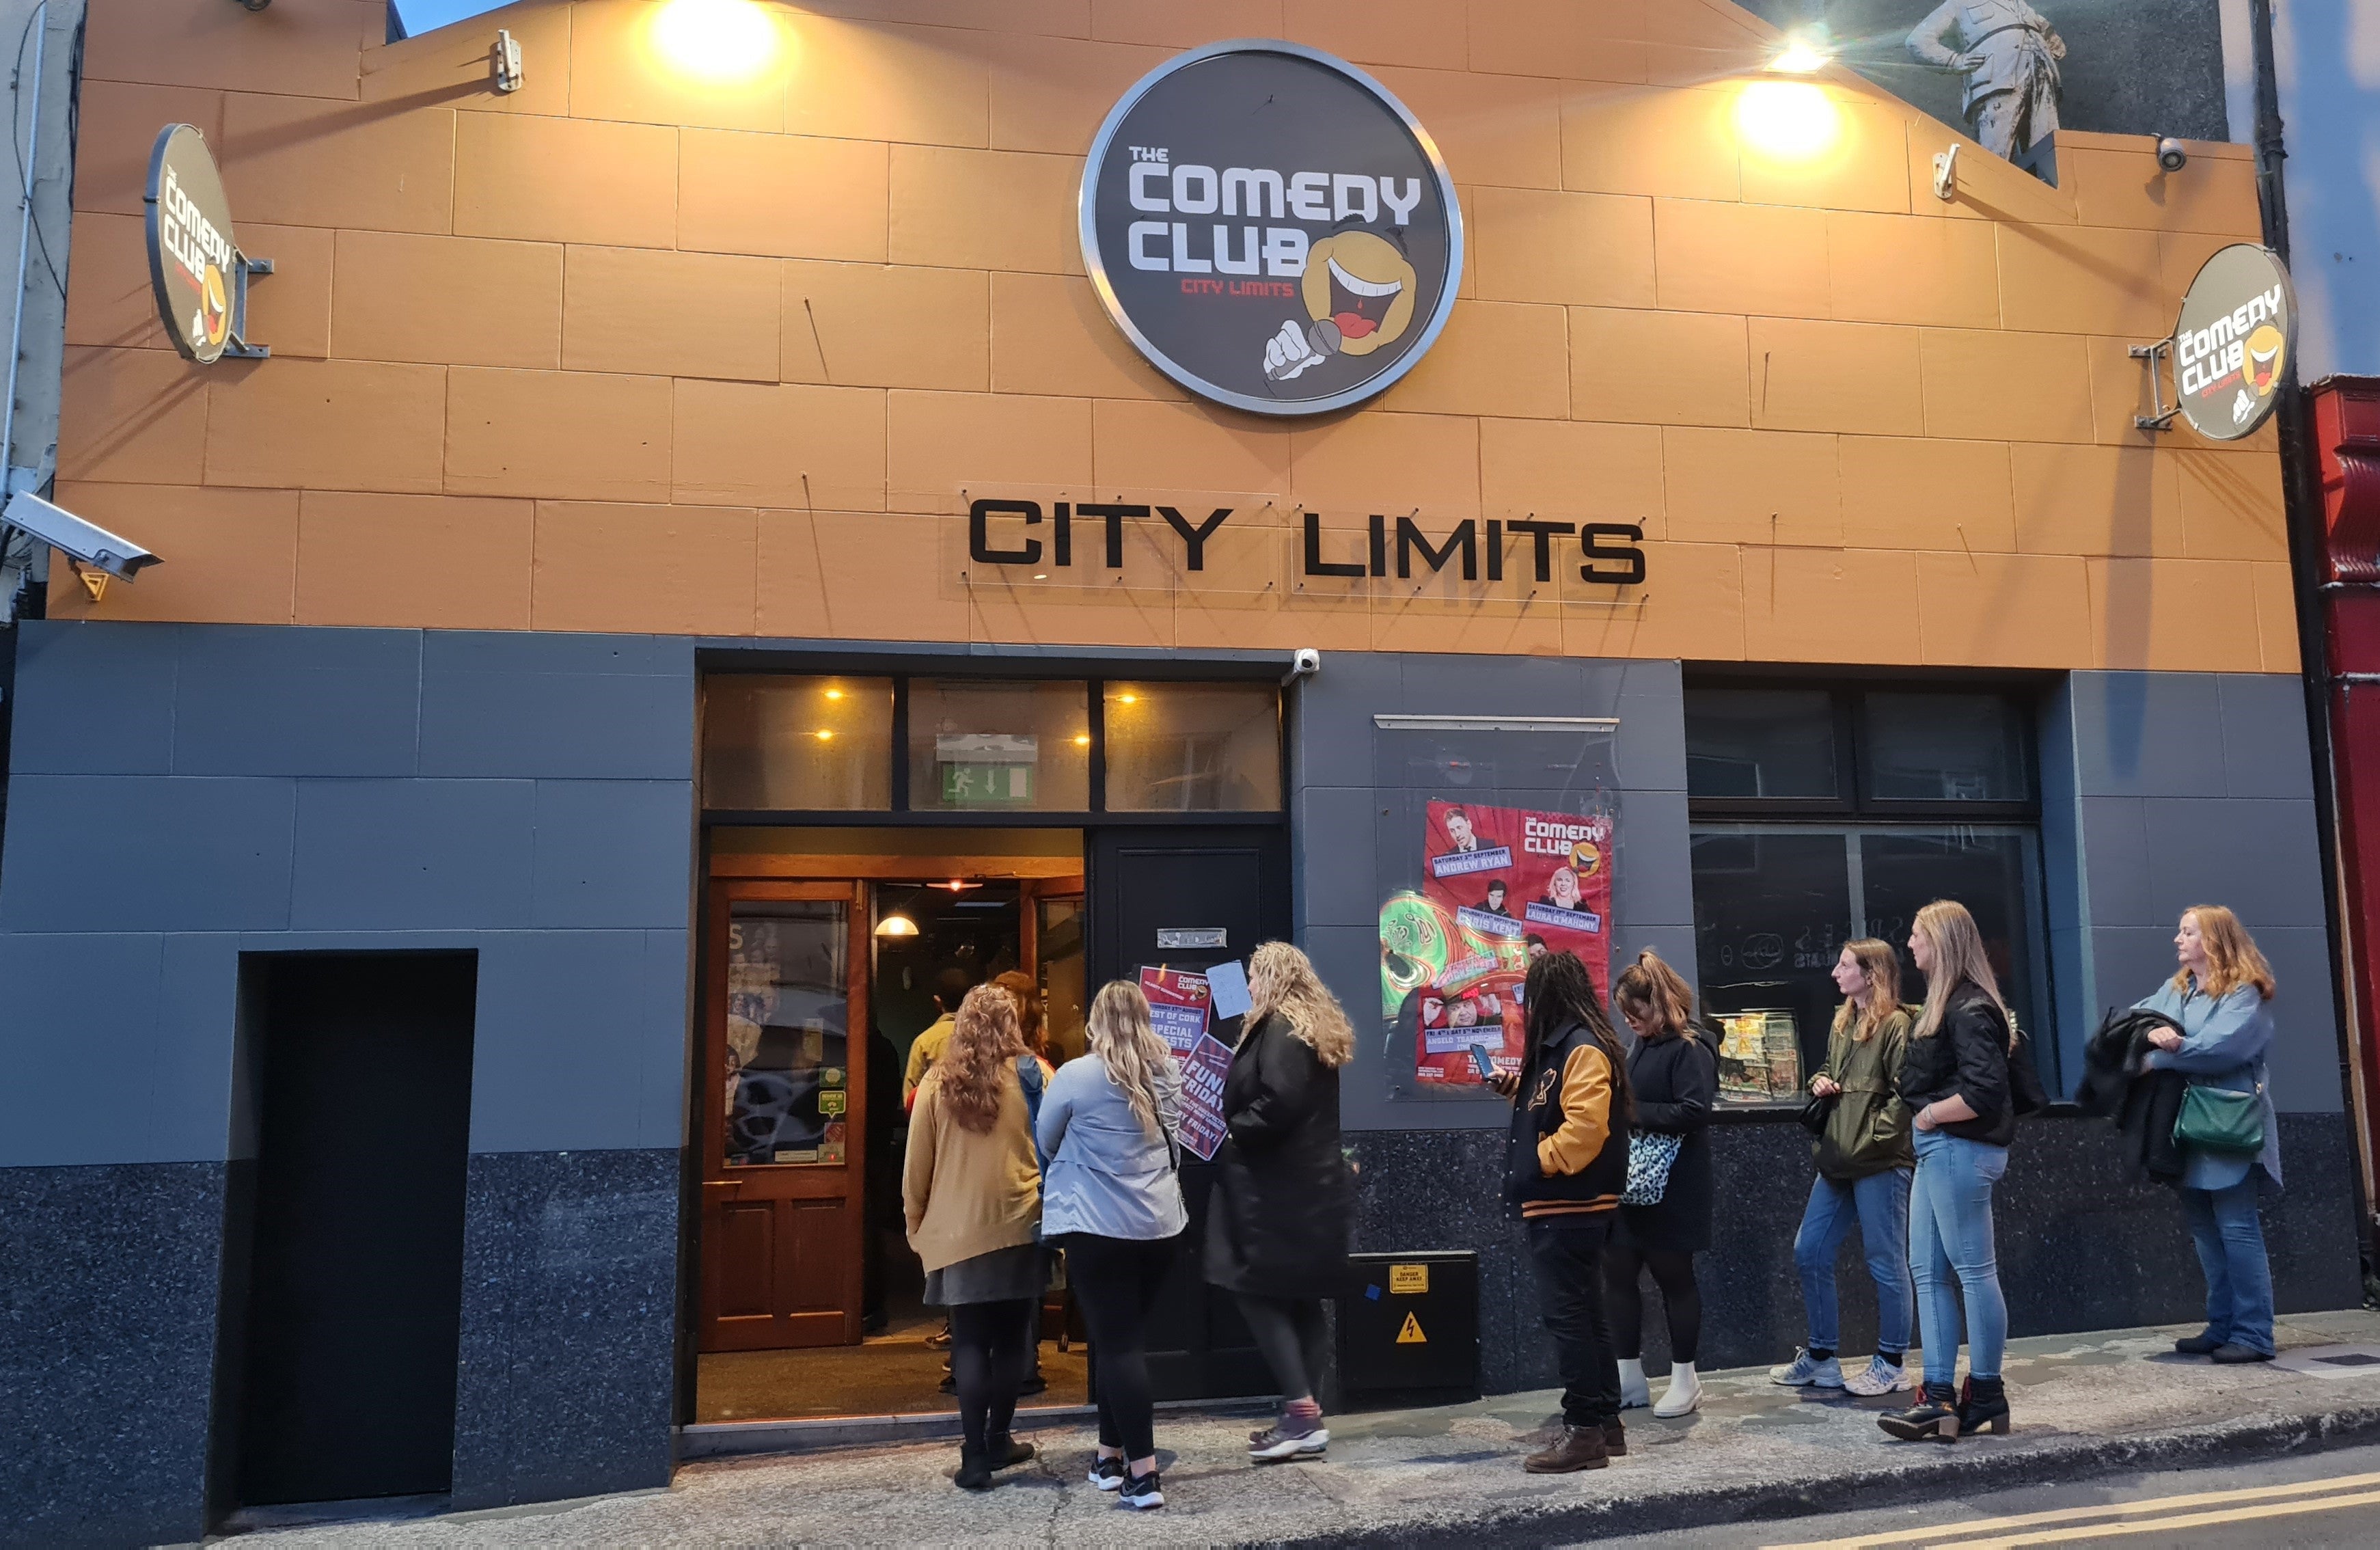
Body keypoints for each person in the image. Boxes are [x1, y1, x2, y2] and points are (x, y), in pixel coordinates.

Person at [1037, 980, 1187, 1511]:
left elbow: (1045, 1140)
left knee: (1118, 1346)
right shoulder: (1167, 1071)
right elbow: (1176, 1140)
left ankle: (1142, 1476)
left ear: (1095, 1021)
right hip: (1158, 1226)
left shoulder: (1075, 1076)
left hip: (1096, 1226)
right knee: (1118, 1340)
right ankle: (1109, 1456)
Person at [1205, 940, 1356, 1463]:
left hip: (1273, 1190)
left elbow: (1279, 1100)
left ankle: (1301, 1413)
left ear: (1271, 978)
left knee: (1253, 1289)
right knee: (1300, 1298)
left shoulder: (1280, 1028)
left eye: (1254, 975)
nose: (1248, 985)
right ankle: (1304, 1416)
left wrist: (1235, 1130)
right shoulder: (1308, 1028)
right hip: (1305, 1188)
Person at [1880, 900, 2018, 1443]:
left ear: (1940, 942)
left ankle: (1982, 1392)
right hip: (1944, 1150)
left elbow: (1984, 1091)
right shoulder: (1958, 1004)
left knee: (1970, 1271)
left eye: (1917, 934)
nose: (1909, 943)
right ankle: (1940, 1397)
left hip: (1957, 1148)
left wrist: (1932, 1115)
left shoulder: (1967, 1008)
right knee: (1929, 1270)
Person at [1490, 949, 1632, 1472]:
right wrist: (1515, 1090)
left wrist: (1537, 1162)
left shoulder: (1580, 1048)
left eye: (1531, 997)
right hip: (1569, 1204)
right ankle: (1605, 1423)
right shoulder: (1563, 1048)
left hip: (1567, 1203)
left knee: (1568, 1318)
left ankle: (1583, 1431)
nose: (1526, 1008)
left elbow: (1585, 1129)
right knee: (1586, 1314)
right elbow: (1551, 1109)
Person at [903, 985, 1046, 1489]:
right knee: (1011, 1340)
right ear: (1013, 1023)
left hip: (956, 1230)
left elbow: (917, 1165)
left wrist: (915, 1223)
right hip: (1021, 1223)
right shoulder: (1035, 1075)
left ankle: (974, 1457)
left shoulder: (936, 1082)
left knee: (968, 1339)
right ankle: (999, 1438)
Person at [2134, 906, 2282, 1365]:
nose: (2177, 940)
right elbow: (2136, 1020)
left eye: (2187, 933)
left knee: (2237, 1228)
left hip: (2227, 1124)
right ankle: (2221, 1326)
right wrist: (2152, 1033)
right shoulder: (2177, 988)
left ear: (2214, 940)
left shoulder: (2245, 993)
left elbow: (2220, 1048)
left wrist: (2159, 1057)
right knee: (2203, 1228)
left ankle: (2253, 1333)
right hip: (2187, 1124)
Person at [1772, 940, 1917, 1397]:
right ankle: (1821, 1357)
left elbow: (1907, 1093)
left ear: (1871, 974)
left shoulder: (1897, 1025)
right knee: (1809, 1250)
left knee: (1885, 1260)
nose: (1835, 972)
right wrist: (1819, 1080)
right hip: (1838, 1156)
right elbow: (1827, 1069)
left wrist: (1874, 1137)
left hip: (1878, 1160)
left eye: (1845, 965)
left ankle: (1892, 1362)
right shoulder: (1843, 1022)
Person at [1605, 949, 1718, 1418]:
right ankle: (1628, 1376)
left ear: (1659, 1004)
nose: (1629, 1021)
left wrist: (1632, 1112)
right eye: (1625, 1013)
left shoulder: (1690, 1047)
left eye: (1636, 1011)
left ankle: (1685, 1379)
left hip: (1675, 1185)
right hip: (1635, 1183)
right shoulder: (1645, 1045)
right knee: (1617, 1274)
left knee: (1674, 1278)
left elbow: (1694, 1110)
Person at [1906, 0, 2066, 184]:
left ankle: (2049, 197)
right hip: (1997, 81)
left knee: (2047, 152)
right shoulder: (1959, 4)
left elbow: (2054, 42)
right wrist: (1954, 61)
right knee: (1995, 154)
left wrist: (2048, 42)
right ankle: (1993, 193)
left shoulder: (2020, 4)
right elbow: (1917, 40)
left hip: (2042, 76)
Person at [991, 969, 1058, 1397]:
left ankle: (976, 1369)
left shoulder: (949, 1077)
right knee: (1024, 1285)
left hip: (987, 1199)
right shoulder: (1041, 1070)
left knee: (982, 1291)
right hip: (1029, 1191)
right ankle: (1023, 1367)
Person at [905, 968, 975, 1109]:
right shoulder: (985, 1039)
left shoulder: (924, 1043)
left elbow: (910, 1101)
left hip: (933, 1120)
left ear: (938, 1001)